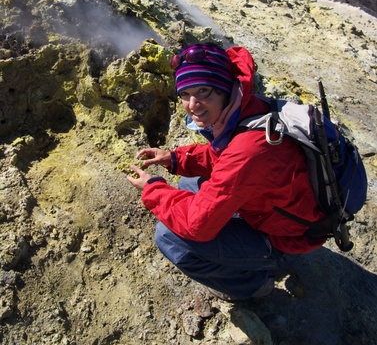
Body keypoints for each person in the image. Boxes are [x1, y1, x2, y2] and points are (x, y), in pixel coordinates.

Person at [127, 43, 326, 301]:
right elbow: (223, 159)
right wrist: (174, 159)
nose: (193, 104)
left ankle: (251, 285)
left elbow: (198, 226)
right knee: (190, 180)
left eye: (203, 91)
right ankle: (249, 254)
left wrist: (153, 188)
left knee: (169, 238)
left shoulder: (249, 148)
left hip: (285, 239)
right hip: (280, 210)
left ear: (223, 89)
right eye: (185, 94)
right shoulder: (248, 108)